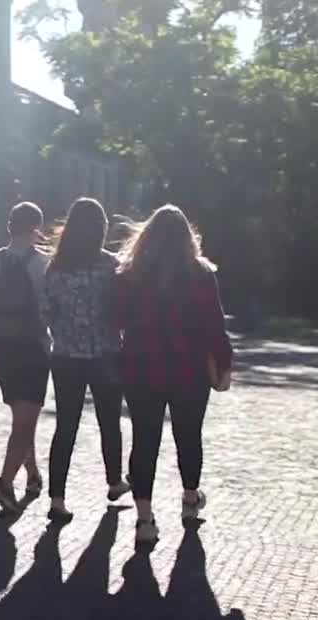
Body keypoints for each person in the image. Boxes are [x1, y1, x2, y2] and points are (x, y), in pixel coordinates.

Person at [111, 204, 233, 545]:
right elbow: (215, 325)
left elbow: (116, 319)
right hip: (188, 367)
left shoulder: (130, 275)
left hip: (141, 366)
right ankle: (190, 500)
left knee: (144, 439)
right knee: (189, 435)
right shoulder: (201, 275)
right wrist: (224, 364)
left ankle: (144, 518)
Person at [42, 198, 131, 523]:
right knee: (110, 422)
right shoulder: (111, 266)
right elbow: (123, 309)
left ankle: (57, 498)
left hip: (66, 355)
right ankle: (114, 480)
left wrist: (63, 331)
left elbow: (46, 311)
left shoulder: (56, 267)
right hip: (106, 353)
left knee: (66, 427)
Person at [0, 202, 51, 513]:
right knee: (24, 420)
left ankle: (32, 475)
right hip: (33, 347)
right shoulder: (43, 264)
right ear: (37, 229)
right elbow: (50, 308)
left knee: (21, 416)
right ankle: (4, 484)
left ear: (9, 227)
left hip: (1, 348)